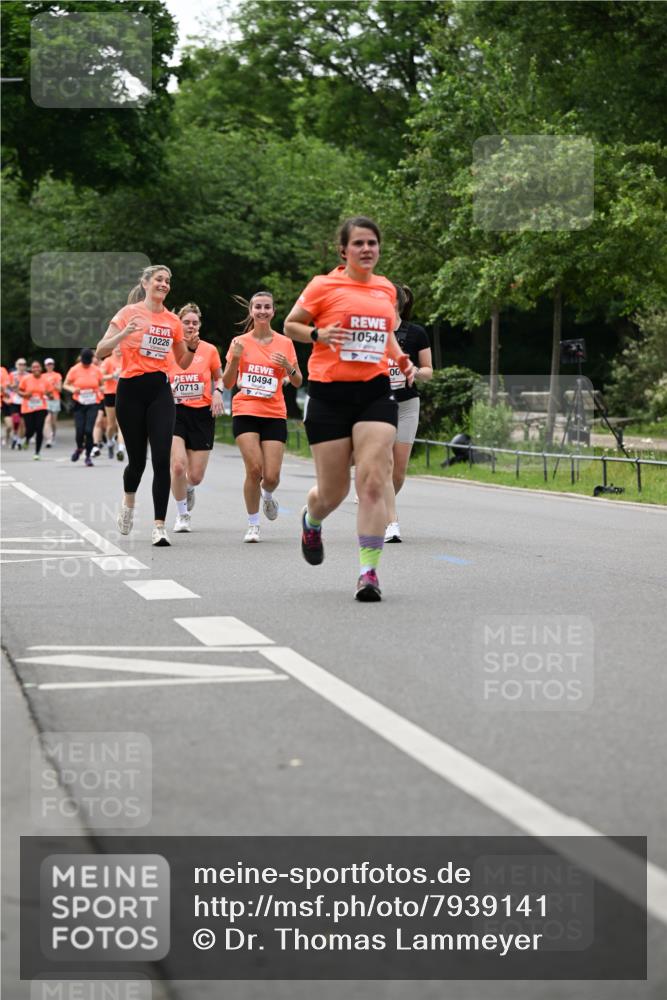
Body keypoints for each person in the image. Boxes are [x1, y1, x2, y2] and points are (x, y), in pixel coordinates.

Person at [284, 215, 415, 601]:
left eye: (372, 242)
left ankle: (368, 572)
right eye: (358, 243)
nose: (366, 249)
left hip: (375, 392)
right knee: (333, 492)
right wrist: (318, 334)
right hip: (328, 395)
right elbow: (291, 325)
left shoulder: (385, 289)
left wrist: (401, 358)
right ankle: (312, 520)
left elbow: (385, 333)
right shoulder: (323, 286)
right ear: (344, 250)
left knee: (373, 480)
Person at [96, 263, 196, 547]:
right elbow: (101, 350)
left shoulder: (173, 321)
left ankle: (159, 526)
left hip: (160, 390)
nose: (163, 284)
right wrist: (123, 334)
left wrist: (191, 346)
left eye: (167, 281)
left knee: (162, 459)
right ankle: (128, 502)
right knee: (137, 462)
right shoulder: (128, 313)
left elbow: (183, 362)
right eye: (159, 279)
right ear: (145, 283)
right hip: (130, 391)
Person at [223, 291, 301, 542]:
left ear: (273, 311)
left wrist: (288, 367)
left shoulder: (285, 343)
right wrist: (235, 359)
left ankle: (267, 495)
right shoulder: (239, 342)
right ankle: (253, 524)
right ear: (251, 311)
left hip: (274, 413)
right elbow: (227, 383)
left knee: (272, 477)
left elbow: (298, 381)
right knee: (254, 469)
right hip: (245, 410)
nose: (262, 311)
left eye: (267, 307)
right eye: (258, 307)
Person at [167, 303, 224, 533]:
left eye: (194, 322)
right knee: (178, 466)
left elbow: (220, 377)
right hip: (175, 412)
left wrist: (218, 392)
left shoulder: (209, 350)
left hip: (202, 414)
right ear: (179, 324)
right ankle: (182, 514)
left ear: (199, 325)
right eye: (186, 322)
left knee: (196, 476)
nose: (191, 326)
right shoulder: (170, 348)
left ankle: (189, 488)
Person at [384, 283, 433, 542]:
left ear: (398, 303)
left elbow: (428, 371)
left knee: (399, 472)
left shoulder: (416, 333)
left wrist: (414, 371)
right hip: (378, 405)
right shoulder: (372, 332)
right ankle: (391, 522)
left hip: (406, 406)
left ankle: (378, 501)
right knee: (385, 464)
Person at [63, 349, 105, 466]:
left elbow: (102, 385)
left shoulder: (96, 370)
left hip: (93, 403)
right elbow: (65, 384)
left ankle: (88, 456)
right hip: (79, 404)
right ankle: (79, 448)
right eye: (84, 361)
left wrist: (99, 390)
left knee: (89, 430)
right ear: (81, 359)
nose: (86, 364)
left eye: (88, 361)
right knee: (79, 430)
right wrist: (73, 389)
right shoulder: (74, 369)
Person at [18, 360, 52, 459]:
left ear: (41, 368)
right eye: (34, 367)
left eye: (38, 367)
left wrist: (48, 394)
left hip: (41, 408)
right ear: (31, 369)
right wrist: (25, 394)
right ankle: (27, 439)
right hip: (28, 408)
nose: (36, 369)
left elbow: (50, 394)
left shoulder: (45, 380)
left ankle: (37, 452)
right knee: (30, 429)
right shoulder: (26, 379)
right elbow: (19, 391)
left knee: (39, 429)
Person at [100, 347, 125, 461]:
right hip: (110, 394)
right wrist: (113, 375)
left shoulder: (126, 359)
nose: (119, 350)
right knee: (111, 424)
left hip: (123, 394)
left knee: (121, 424)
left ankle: (120, 449)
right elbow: (101, 377)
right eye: (116, 348)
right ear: (112, 349)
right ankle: (110, 442)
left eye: (120, 348)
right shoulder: (108, 361)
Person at [42, 358, 63, 447]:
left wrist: (54, 384)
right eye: (48, 365)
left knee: (53, 421)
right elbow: (40, 388)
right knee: (47, 419)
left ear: (53, 366)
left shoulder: (57, 375)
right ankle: (49, 439)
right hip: (45, 399)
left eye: (51, 364)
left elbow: (60, 389)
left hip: (55, 399)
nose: (49, 366)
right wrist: (47, 392)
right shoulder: (42, 376)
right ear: (45, 366)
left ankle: (53, 434)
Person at [8, 358, 27, 448]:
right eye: (20, 364)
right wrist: (14, 386)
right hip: (15, 400)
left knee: (22, 422)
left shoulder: (28, 375)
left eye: (23, 364)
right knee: (16, 420)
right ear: (16, 365)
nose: (22, 366)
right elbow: (8, 387)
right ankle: (15, 435)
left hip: (24, 401)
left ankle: (19, 440)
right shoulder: (12, 375)